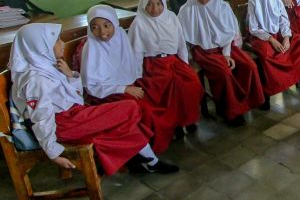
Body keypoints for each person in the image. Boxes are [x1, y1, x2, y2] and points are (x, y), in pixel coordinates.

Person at [9, 23, 177, 175]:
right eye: (57, 40)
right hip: (64, 124)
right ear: (41, 47)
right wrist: (53, 153)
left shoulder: (48, 68)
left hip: (74, 116)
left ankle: (150, 162)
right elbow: (42, 118)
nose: (62, 43)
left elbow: (76, 97)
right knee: (130, 108)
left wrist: (70, 75)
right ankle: (144, 159)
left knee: (123, 125)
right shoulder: (36, 79)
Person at [80, 5, 184, 155]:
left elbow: (131, 63)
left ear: (115, 24)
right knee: (144, 108)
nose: (102, 32)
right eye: (95, 27)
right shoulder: (91, 47)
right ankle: (148, 148)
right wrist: (124, 88)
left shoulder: (120, 36)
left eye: (107, 25)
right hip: (106, 93)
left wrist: (134, 82)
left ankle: (167, 131)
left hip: (128, 83)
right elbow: (92, 86)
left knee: (157, 93)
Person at [178, 0, 265, 126]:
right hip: (204, 51)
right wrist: (186, 61)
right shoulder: (186, 10)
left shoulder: (223, 7)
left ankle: (250, 101)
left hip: (226, 47)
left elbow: (230, 33)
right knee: (224, 73)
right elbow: (182, 39)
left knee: (249, 65)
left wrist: (226, 54)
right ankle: (229, 111)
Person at [128, 0, 205, 147]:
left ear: (164, 3)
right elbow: (135, 53)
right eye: (149, 4)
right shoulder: (139, 23)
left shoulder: (171, 17)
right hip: (151, 64)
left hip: (173, 61)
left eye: (158, 3)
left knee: (190, 83)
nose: (154, 8)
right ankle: (174, 125)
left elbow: (180, 43)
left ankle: (188, 119)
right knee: (164, 88)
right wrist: (136, 76)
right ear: (143, 5)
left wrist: (185, 63)